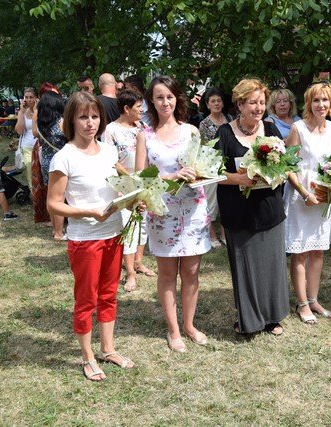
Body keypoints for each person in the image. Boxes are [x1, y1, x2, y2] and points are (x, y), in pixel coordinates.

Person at [47, 91, 134, 381]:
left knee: (109, 294)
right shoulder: (64, 157)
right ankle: (88, 357)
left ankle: (107, 349)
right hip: (85, 239)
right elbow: (53, 204)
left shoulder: (108, 151)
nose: (90, 123)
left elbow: (121, 186)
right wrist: (88, 212)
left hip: (114, 233)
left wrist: (135, 199)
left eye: (95, 116)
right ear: (71, 120)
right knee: (86, 300)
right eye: (83, 117)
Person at [135, 76, 211, 352]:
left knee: (191, 272)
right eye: (159, 97)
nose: (165, 102)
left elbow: (203, 167)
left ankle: (189, 325)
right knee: (167, 274)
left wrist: (198, 174)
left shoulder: (191, 131)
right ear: (151, 101)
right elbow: (141, 178)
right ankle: (173, 329)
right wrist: (170, 176)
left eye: (169, 96)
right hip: (162, 212)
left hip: (193, 211)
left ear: (177, 99)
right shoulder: (145, 136)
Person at [214, 78, 289, 336]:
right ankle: (248, 319)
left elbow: (284, 165)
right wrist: (240, 179)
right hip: (239, 211)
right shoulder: (224, 133)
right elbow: (214, 173)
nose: (258, 108)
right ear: (240, 104)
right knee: (245, 267)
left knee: (272, 265)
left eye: (261, 102)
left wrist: (277, 173)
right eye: (252, 103)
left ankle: (273, 317)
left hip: (269, 208)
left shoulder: (271, 129)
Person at [284, 82, 331, 324]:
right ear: (308, 103)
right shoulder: (298, 128)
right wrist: (304, 193)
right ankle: (302, 303)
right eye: (316, 100)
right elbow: (287, 167)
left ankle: (314, 299)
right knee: (300, 252)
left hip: (323, 197)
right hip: (301, 198)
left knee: (318, 251)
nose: (321, 105)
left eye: (325, 100)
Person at [102, 89, 155, 292]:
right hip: (124, 187)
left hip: (144, 184)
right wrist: (131, 177)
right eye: (139, 107)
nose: (142, 111)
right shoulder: (111, 130)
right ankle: (130, 272)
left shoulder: (142, 127)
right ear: (126, 108)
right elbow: (111, 160)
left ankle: (139, 262)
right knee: (129, 227)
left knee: (143, 225)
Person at [198, 87, 232, 248]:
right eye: (213, 101)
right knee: (211, 202)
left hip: (229, 167)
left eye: (219, 100)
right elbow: (204, 148)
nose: (216, 103)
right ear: (207, 104)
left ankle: (225, 235)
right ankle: (212, 236)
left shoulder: (230, 119)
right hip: (211, 167)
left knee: (227, 202)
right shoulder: (204, 124)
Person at [35, 89, 68, 240]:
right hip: (61, 163)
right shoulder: (61, 122)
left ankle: (55, 228)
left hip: (46, 162)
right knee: (60, 198)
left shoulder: (40, 123)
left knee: (52, 197)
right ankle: (59, 232)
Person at [14, 87, 38, 189]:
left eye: (31, 97)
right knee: (30, 175)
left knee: (41, 174)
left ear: (36, 98)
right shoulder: (24, 112)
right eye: (26, 97)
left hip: (39, 147)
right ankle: (34, 194)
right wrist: (21, 112)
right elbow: (20, 131)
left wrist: (36, 111)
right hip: (27, 147)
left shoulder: (41, 111)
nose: (28, 100)